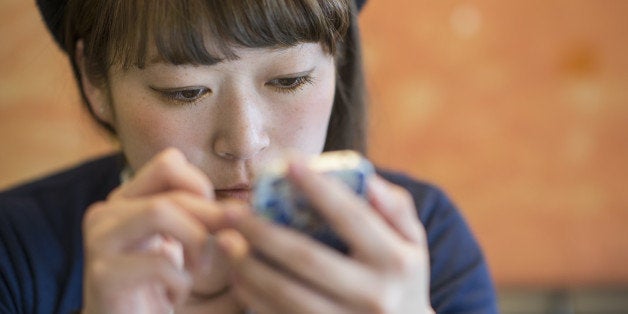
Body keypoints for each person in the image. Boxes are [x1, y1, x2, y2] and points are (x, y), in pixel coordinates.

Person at [0, 0, 498, 313]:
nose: (243, 141)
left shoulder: (425, 243)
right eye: (184, 90)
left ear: (337, 59)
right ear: (93, 79)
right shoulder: (16, 251)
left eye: (289, 80)